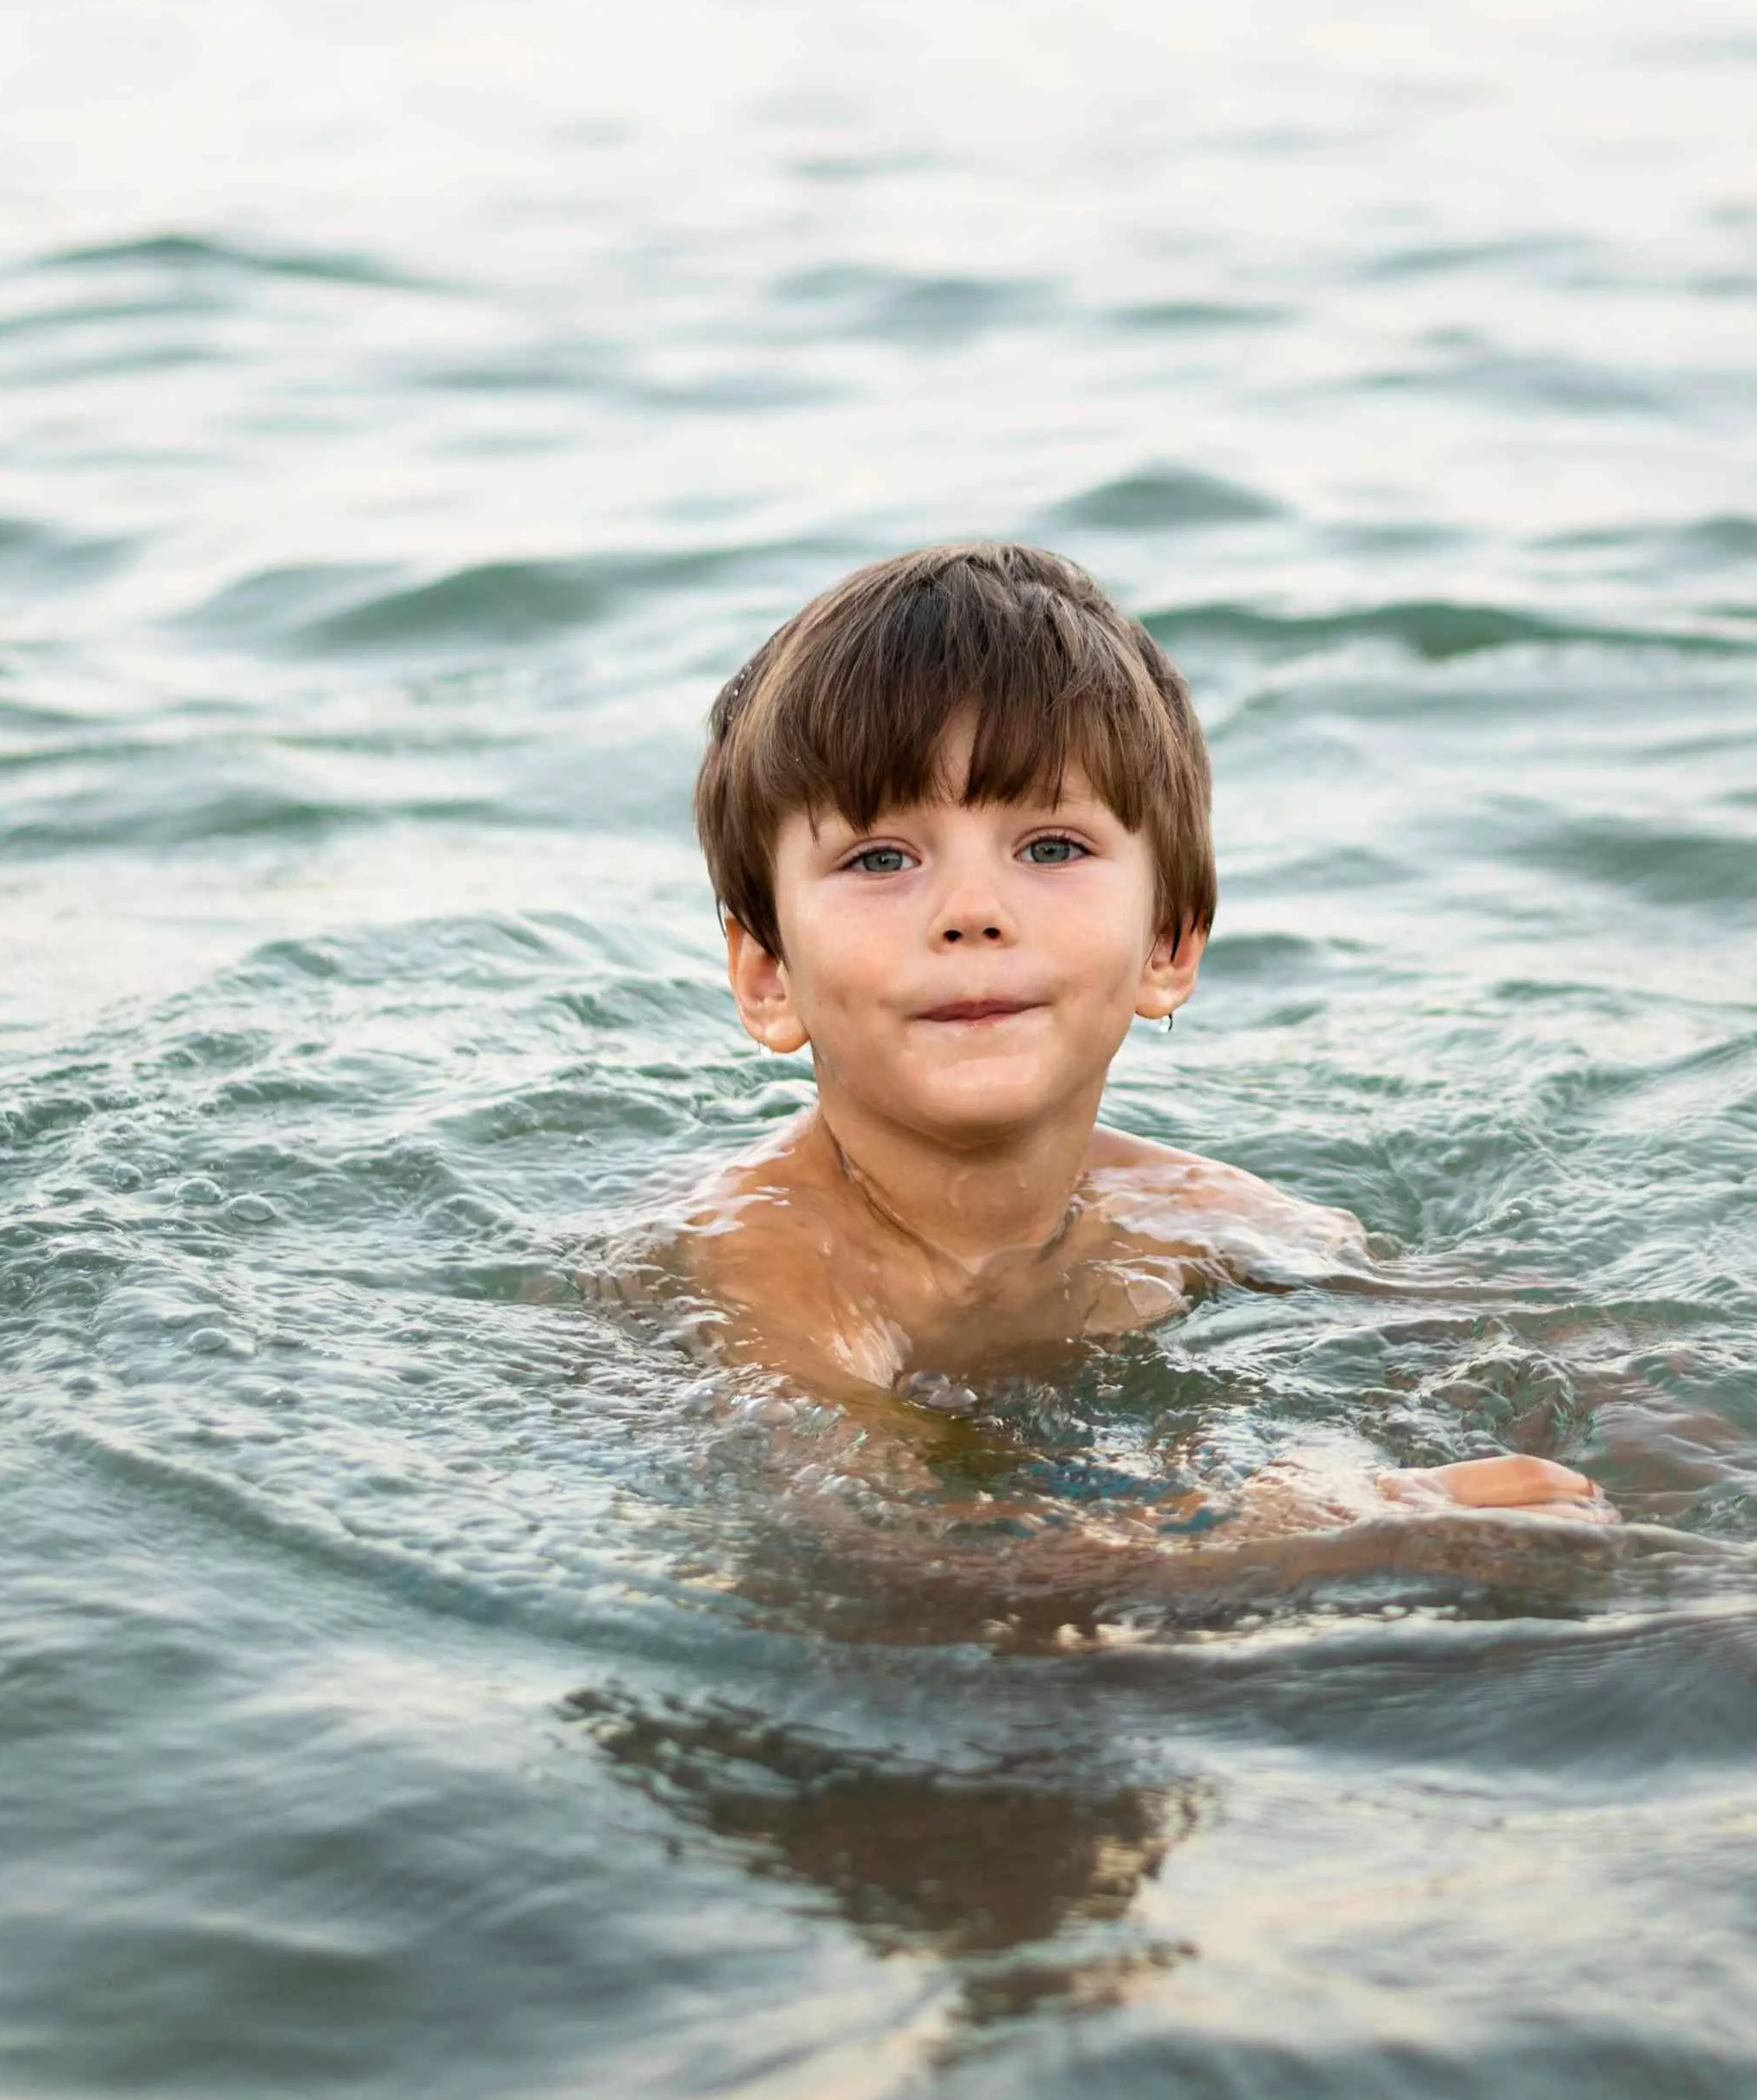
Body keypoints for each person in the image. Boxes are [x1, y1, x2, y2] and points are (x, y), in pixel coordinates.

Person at [672, 539, 1604, 1581]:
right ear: (766, 974)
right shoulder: (769, 1261)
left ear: (1167, 944)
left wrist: (1632, 1461)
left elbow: (1544, 1353)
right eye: (880, 857)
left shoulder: (1192, 1214)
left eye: (1051, 847)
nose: (972, 912)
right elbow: (879, 1538)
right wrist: (1314, 1524)